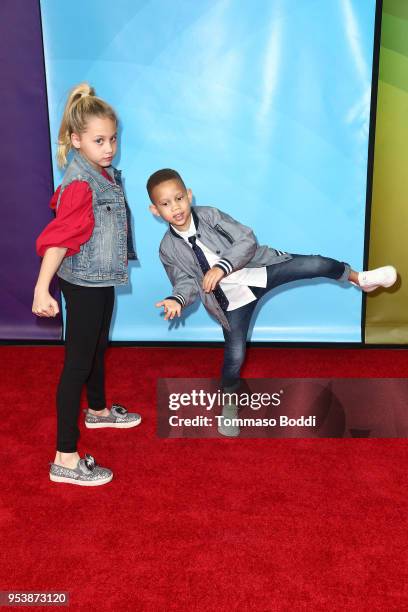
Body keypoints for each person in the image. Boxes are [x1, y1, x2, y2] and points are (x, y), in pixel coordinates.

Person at [148, 168, 397, 393]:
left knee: (316, 263)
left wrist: (222, 267)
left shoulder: (210, 215)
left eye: (179, 198)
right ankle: (230, 397)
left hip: (262, 270)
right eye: (166, 204)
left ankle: (359, 278)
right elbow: (186, 282)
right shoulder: (167, 249)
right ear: (156, 211)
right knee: (234, 356)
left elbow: (247, 240)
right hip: (231, 303)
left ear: (189, 195)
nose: (176, 207)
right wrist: (177, 298)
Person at [33, 83, 141, 486]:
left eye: (112, 139)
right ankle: (65, 456)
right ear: (78, 141)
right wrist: (41, 289)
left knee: (98, 346)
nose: (109, 147)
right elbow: (58, 240)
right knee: (76, 364)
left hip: (99, 279)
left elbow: (72, 136)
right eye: (99, 140)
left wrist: (74, 102)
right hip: (83, 283)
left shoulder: (96, 169)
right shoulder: (81, 184)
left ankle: (96, 412)